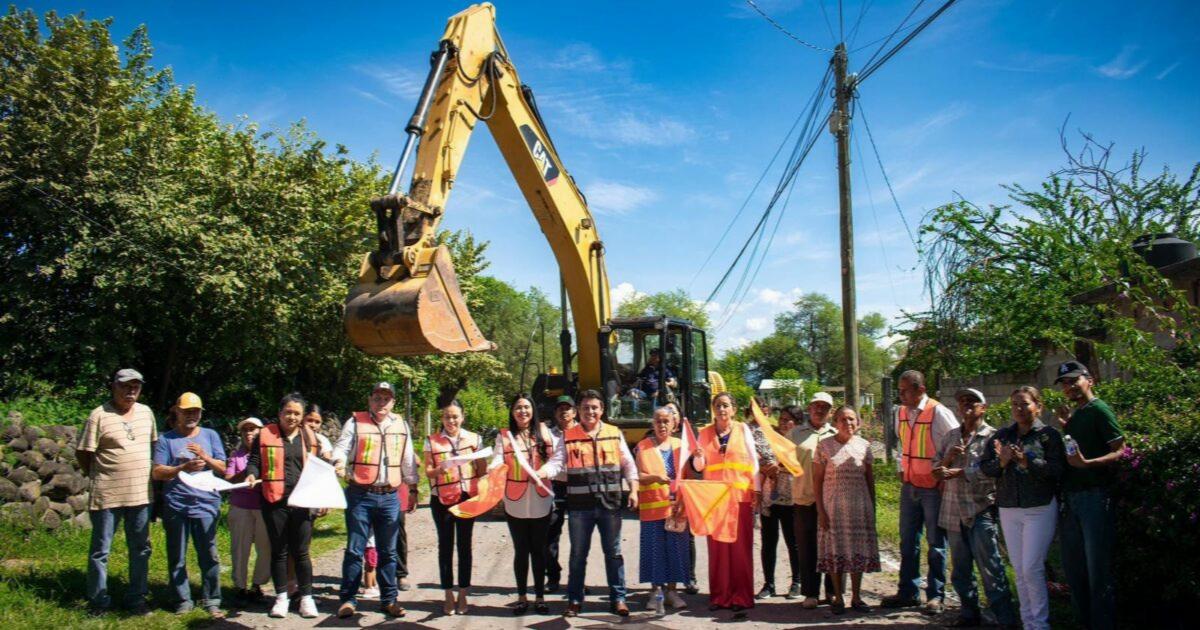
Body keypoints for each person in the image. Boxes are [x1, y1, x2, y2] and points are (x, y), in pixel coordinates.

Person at [980, 386, 1066, 630]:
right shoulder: (1003, 436)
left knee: (1032, 567)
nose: (1019, 408)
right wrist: (1003, 460)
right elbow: (987, 468)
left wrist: (1028, 461)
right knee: (1019, 569)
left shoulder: (1048, 435)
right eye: (1015, 404)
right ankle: (1027, 621)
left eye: (1025, 404)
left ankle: (1040, 624)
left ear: (1038, 407)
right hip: (1009, 507)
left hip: (1038, 507)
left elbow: (1057, 471)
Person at [932, 389, 1018, 629]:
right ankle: (969, 614)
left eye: (972, 401)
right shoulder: (950, 437)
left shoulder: (994, 437)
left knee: (991, 570)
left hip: (981, 510)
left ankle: (1006, 620)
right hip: (952, 511)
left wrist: (961, 472)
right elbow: (935, 470)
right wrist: (948, 459)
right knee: (960, 570)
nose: (966, 405)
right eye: (962, 402)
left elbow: (994, 470)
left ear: (984, 408)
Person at [75, 368, 158, 616]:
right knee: (101, 551)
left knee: (141, 548)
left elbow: (152, 446)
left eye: (136, 386)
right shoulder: (98, 415)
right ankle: (98, 602)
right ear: (114, 386)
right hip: (107, 494)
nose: (131, 390)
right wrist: (101, 475)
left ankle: (137, 599)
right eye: (126, 386)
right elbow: (83, 452)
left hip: (141, 494)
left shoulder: (146, 413)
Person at [233, 393, 322, 619]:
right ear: (279, 413)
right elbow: (254, 462)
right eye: (287, 412)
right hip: (274, 501)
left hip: (302, 502)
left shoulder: (308, 437)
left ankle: (306, 598)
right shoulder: (265, 434)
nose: (291, 417)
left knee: (301, 552)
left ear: (302, 416)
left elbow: (318, 468)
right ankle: (281, 597)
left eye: (296, 413)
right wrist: (252, 475)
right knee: (279, 551)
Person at [331, 382, 415, 619]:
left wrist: (414, 487)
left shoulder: (401, 424)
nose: (381, 403)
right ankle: (348, 599)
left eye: (386, 399)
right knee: (354, 550)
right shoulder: (355, 422)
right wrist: (338, 461)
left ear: (393, 403)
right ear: (369, 400)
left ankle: (389, 600)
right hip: (360, 495)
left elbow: (407, 458)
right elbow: (342, 447)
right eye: (377, 398)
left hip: (390, 496)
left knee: (388, 552)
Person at [1055, 361, 1124, 630]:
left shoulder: (1099, 409)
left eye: (1074, 380)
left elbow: (1120, 450)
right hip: (1072, 498)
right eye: (1064, 383)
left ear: (1090, 380)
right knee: (1075, 571)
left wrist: (1088, 463)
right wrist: (1067, 427)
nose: (1069, 386)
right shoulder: (1078, 414)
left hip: (1094, 497)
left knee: (1098, 572)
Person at [883, 369, 959, 614]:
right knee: (908, 542)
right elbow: (902, 444)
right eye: (899, 390)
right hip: (910, 486)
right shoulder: (901, 412)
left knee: (936, 544)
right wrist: (900, 467)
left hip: (933, 489)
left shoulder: (938, 412)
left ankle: (936, 596)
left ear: (920, 390)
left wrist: (946, 473)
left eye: (905, 390)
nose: (900, 394)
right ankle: (908, 592)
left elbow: (957, 442)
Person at [559, 389, 639, 618]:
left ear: (602, 410)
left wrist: (633, 490)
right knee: (577, 555)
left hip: (609, 505)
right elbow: (557, 462)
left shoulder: (614, 433)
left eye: (594, 407)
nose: (590, 412)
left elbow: (628, 465)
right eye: (585, 408)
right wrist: (543, 471)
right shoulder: (568, 435)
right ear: (578, 411)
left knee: (613, 553)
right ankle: (574, 600)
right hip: (579, 506)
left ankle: (619, 599)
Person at [152, 392, 226, 617]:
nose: (191, 415)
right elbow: (157, 472)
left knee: (209, 555)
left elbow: (224, 469)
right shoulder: (167, 439)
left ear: (201, 413)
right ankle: (182, 600)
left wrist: (205, 456)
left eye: (195, 411)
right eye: (186, 411)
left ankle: (212, 599)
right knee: (177, 556)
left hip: (206, 504)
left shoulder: (211, 436)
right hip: (176, 505)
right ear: (177, 412)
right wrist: (180, 469)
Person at [491, 394, 560, 615]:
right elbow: (497, 460)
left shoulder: (545, 432)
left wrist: (544, 472)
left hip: (540, 499)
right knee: (521, 551)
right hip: (515, 501)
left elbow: (558, 460)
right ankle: (522, 597)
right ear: (512, 412)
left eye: (526, 407)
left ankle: (539, 596)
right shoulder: (504, 437)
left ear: (533, 410)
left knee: (539, 550)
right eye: (518, 408)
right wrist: (492, 471)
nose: (523, 412)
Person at [691, 392, 759, 615]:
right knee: (718, 550)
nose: (722, 410)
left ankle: (742, 596)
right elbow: (700, 467)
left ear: (734, 409)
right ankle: (720, 596)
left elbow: (753, 460)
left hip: (740, 498)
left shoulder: (742, 429)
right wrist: (697, 456)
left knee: (740, 550)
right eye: (718, 406)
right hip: (715, 500)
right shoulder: (704, 433)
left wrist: (756, 489)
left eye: (726, 406)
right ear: (713, 409)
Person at [813, 406, 880, 614]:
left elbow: (870, 480)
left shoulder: (865, 446)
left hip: (859, 507)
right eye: (843, 419)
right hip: (833, 508)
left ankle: (857, 597)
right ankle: (838, 598)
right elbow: (817, 480)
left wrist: (872, 508)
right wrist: (821, 511)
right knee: (835, 551)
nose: (848, 423)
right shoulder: (824, 446)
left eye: (852, 419)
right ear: (835, 423)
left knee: (857, 550)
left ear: (857, 423)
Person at [425, 399, 486, 615]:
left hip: (466, 497)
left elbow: (481, 469)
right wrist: (439, 469)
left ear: (462, 417)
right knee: (445, 546)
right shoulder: (431, 441)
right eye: (447, 417)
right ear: (442, 418)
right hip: (441, 499)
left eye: (455, 416)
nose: (451, 421)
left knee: (464, 545)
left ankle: (463, 594)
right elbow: (428, 472)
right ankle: (448, 594)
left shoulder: (474, 439)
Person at [635, 407, 690, 615]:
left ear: (674, 424)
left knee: (676, 550)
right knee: (654, 551)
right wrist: (655, 478)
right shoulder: (643, 446)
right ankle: (656, 592)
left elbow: (690, 472)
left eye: (666, 421)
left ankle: (673, 591)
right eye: (658, 421)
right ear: (653, 424)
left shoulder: (680, 446)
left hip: (677, 509)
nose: (662, 425)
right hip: (652, 509)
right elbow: (637, 474)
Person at [789, 395, 838, 609]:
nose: (820, 410)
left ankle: (832, 591)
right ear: (809, 408)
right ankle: (810, 593)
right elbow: (783, 460)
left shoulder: (836, 434)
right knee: (808, 547)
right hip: (804, 498)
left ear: (831, 411)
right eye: (816, 406)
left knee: (832, 547)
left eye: (825, 407)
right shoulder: (795, 434)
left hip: (831, 500)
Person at [225, 417, 272, 605]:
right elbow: (228, 480)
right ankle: (240, 586)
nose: (249, 433)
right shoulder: (237, 455)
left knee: (265, 548)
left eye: (253, 429)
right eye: (245, 430)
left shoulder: (268, 453)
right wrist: (245, 473)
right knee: (239, 547)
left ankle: (257, 585)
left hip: (263, 506)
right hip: (241, 506)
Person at [758, 406, 801, 600]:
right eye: (782, 419)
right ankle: (769, 584)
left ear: (797, 422)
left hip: (792, 497)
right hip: (769, 497)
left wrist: (781, 466)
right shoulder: (769, 438)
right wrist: (765, 468)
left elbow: (802, 465)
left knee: (793, 542)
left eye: (789, 419)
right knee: (768, 542)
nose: (784, 422)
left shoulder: (800, 440)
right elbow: (756, 460)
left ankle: (797, 582)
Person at [545, 395, 577, 593]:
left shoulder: (582, 432)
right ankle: (553, 578)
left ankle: (576, 579)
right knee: (550, 536)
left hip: (578, 487)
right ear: (555, 413)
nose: (564, 412)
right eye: (560, 409)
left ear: (574, 412)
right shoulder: (548, 435)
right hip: (555, 487)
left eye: (568, 408)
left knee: (579, 537)